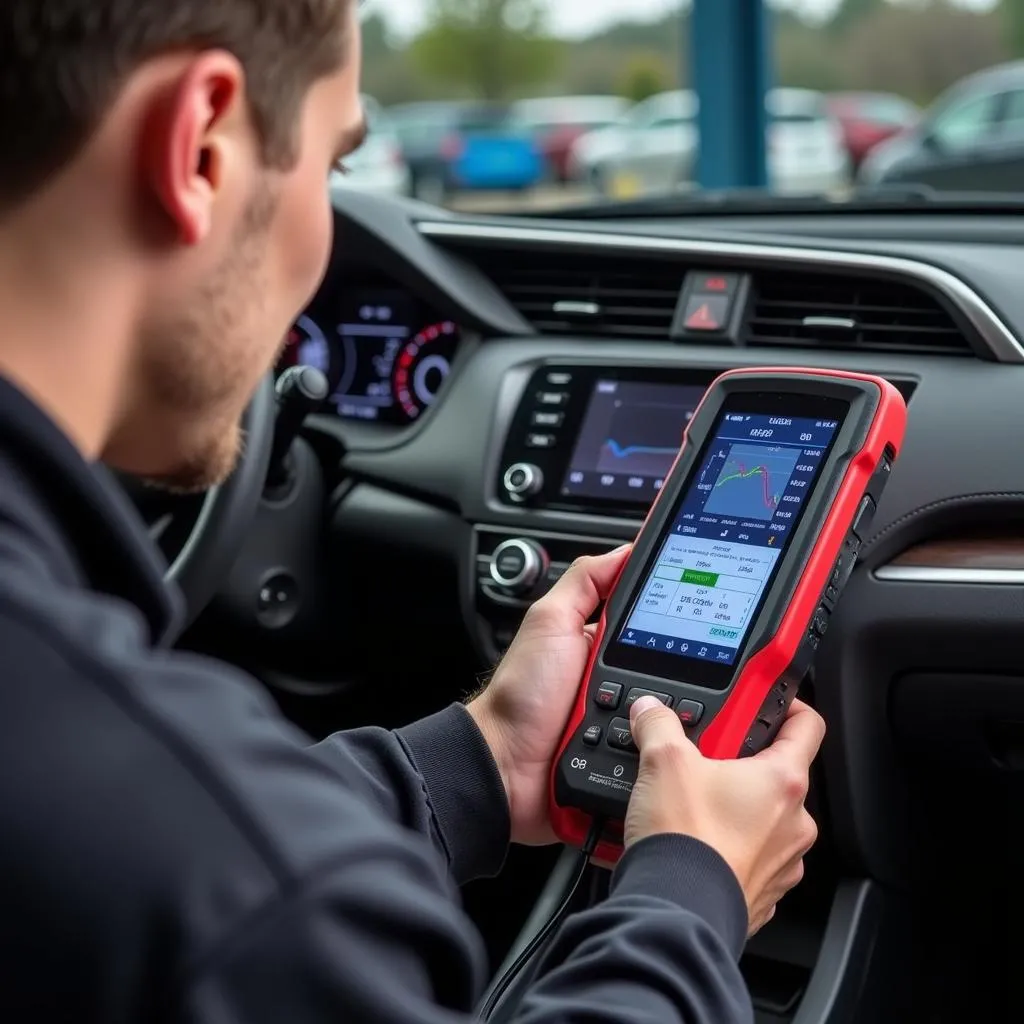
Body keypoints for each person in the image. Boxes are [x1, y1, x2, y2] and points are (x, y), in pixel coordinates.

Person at [0, 1, 825, 1020]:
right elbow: (209, 873)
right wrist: (692, 896)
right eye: (332, 166)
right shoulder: (233, 902)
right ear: (199, 144)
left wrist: (474, 763)